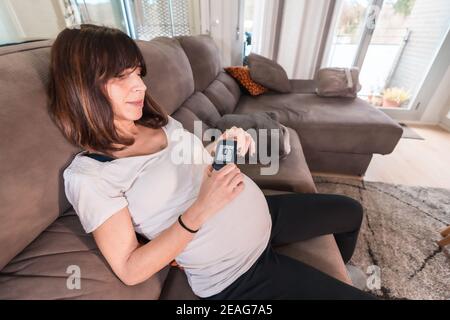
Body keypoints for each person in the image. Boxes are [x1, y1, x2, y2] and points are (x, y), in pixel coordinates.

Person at [47, 24, 376, 300]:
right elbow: (131, 269)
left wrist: (222, 146)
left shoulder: (153, 121)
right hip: (236, 274)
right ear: (82, 89)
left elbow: (191, 161)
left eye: (138, 72)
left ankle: (342, 270)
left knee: (350, 211)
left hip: (265, 218)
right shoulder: (90, 176)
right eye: (121, 76)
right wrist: (200, 211)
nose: (141, 86)